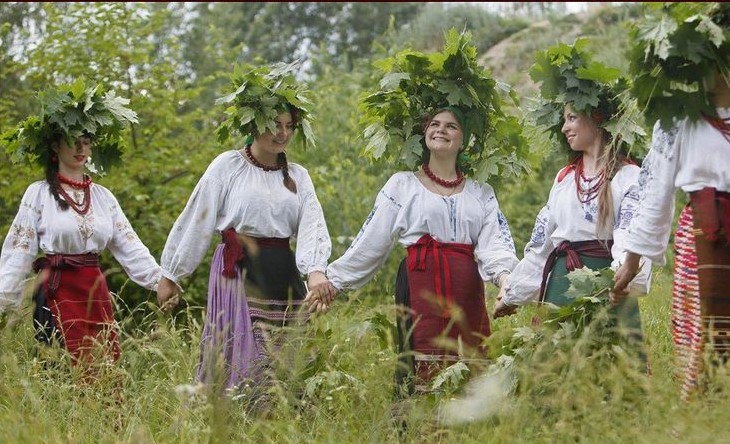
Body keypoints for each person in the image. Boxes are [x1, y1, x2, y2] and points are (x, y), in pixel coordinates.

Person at [155, 61, 333, 395]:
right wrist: (171, 274)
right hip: (236, 271)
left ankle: (282, 425)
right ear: (254, 124)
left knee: (286, 362)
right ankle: (235, 418)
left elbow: (312, 226)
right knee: (246, 359)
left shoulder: (299, 176)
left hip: (282, 271)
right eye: (274, 124)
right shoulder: (227, 166)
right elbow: (197, 218)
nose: (282, 133)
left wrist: (316, 272)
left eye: (288, 125)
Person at [317, 106, 519, 396]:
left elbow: (495, 243)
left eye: (451, 126)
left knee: (471, 359)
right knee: (421, 362)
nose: (441, 130)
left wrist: (505, 281)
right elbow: (371, 239)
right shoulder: (402, 185)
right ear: (424, 133)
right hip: (419, 281)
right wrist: (334, 281)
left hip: (465, 288)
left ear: (464, 139)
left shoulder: (480, 192)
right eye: (434, 124)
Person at [493, 41, 651, 362]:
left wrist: (621, 280)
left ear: (596, 117)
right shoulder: (565, 179)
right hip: (560, 285)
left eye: (572, 118)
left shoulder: (627, 176)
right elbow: (542, 246)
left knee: (608, 371)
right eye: (564, 119)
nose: (564, 127)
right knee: (557, 375)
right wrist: (513, 294)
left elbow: (634, 236)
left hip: (604, 286)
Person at [0, 82, 162, 369]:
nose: (80, 147)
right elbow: (19, 250)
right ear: (54, 144)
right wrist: (4, 303)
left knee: (101, 369)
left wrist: (160, 281)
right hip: (55, 291)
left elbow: (130, 245)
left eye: (86, 141)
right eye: (72, 139)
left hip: (94, 292)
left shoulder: (103, 197)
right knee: (60, 371)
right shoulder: (38, 194)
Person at [613, 2, 730, 401]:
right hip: (704, 237)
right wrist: (632, 259)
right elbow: (654, 193)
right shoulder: (679, 120)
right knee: (707, 342)